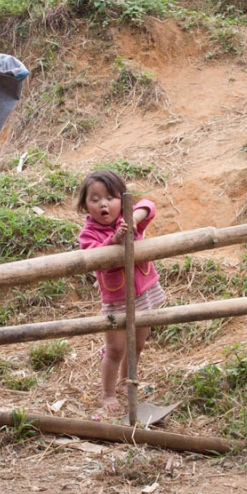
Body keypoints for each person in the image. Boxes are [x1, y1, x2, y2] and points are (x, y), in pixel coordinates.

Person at [77, 170, 165, 413]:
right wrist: (113, 241)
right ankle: (107, 394)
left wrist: (134, 217)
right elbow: (93, 254)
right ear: (85, 206)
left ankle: (126, 382)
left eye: (111, 198)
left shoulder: (128, 219)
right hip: (116, 300)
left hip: (144, 292)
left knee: (137, 342)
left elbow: (149, 206)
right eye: (95, 199)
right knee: (115, 348)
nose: (103, 204)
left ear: (123, 199)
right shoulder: (89, 233)